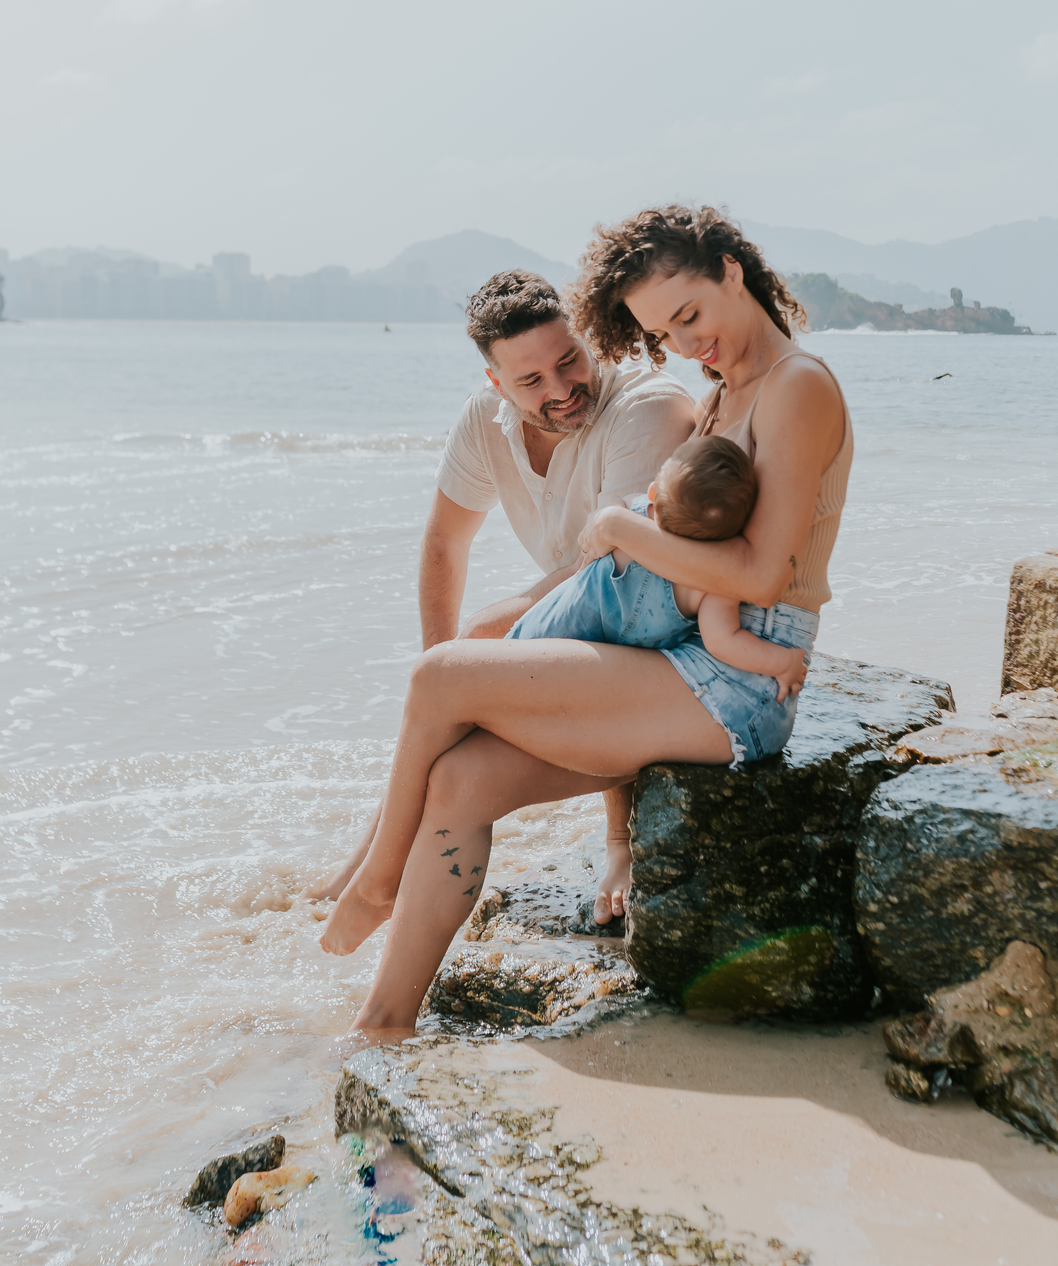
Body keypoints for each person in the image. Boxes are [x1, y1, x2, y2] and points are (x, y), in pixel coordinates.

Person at [319, 204, 853, 1041]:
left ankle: (381, 873)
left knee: (440, 676)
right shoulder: (724, 393)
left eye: (690, 314)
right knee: (460, 782)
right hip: (682, 650)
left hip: (737, 678)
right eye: (660, 332)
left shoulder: (798, 387)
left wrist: (619, 530)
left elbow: (761, 573)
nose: (685, 343)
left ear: (732, 272)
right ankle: (382, 1025)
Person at [309, 266, 695, 922]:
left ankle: (376, 878)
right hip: (591, 626)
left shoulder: (646, 407)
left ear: (588, 340)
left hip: (667, 636)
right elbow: (443, 545)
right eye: (530, 380)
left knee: (481, 645)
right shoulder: (485, 423)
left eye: (569, 360)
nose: (562, 388)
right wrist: (440, 693)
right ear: (496, 383)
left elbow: (609, 579)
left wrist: (456, 672)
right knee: (450, 706)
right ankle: (369, 874)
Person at [510, 435, 813, 729]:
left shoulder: (634, 515)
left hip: (545, 626)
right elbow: (724, 642)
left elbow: (606, 513)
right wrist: (782, 662)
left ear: (654, 494)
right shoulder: (712, 584)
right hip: (584, 665)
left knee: (506, 681)